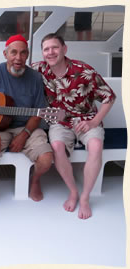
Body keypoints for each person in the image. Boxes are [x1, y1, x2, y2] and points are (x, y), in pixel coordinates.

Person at [31, 33, 115, 219]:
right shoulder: (40, 68)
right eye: (46, 49)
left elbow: (109, 97)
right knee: (57, 147)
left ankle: (84, 197)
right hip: (60, 122)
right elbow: (13, 70)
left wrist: (93, 122)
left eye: (55, 47)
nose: (50, 52)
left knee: (96, 146)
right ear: (43, 53)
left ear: (64, 49)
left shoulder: (84, 71)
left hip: (87, 119)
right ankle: (73, 191)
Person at [0, 34, 53, 211]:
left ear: (28, 55)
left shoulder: (36, 78)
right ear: (5, 54)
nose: (18, 58)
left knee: (46, 158)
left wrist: (24, 135)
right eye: (13, 53)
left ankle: (35, 181)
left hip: (28, 127)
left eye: (23, 53)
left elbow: (38, 114)